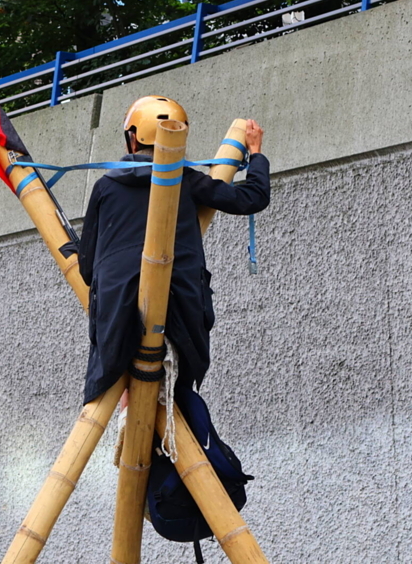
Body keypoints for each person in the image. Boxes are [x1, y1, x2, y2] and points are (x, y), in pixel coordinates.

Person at [78, 95, 270, 405]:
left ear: (132, 138)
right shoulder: (188, 181)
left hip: (115, 315)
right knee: (170, 392)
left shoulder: (105, 186)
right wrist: (256, 153)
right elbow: (253, 197)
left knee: (124, 384)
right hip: (180, 311)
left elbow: (86, 268)